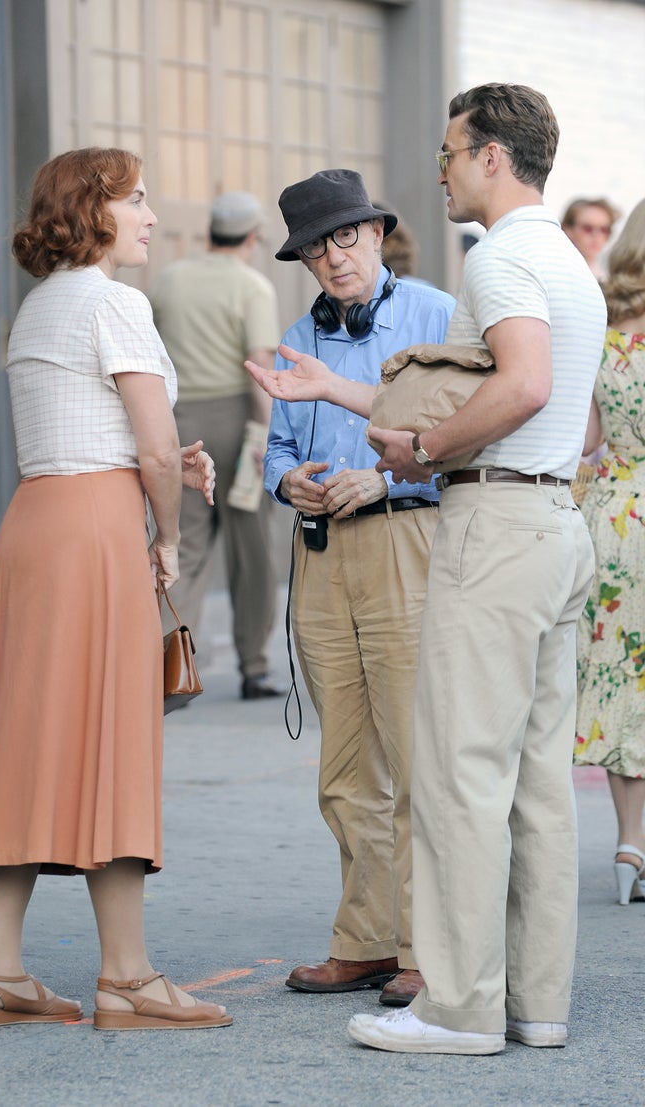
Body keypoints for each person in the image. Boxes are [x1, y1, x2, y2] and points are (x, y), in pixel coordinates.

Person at [248, 85, 607, 1054]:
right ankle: (534, 1002)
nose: (440, 169)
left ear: (492, 156)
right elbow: (575, 420)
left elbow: (524, 385)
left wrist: (425, 447)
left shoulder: (498, 261)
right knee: (534, 782)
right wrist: (339, 391)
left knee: (457, 776)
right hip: (550, 519)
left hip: (494, 525)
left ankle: (457, 1007)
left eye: (450, 151)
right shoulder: (569, 263)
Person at [0, 147, 232, 1033]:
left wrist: (160, 466)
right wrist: (171, 535)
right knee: (115, 734)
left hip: (37, 523)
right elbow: (148, 447)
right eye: (135, 200)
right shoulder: (117, 301)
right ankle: (128, 976)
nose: (149, 214)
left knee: (25, 737)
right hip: (98, 530)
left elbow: (91, 430)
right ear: (94, 211)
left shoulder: (38, 307)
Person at [258, 168, 454, 1004]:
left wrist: (390, 479)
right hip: (322, 556)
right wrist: (289, 484)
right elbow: (271, 452)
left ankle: (427, 946)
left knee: (416, 758)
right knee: (344, 766)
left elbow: (464, 443)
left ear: (377, 234)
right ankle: (366, 938)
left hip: (408, 542)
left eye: (345, 238)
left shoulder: (436, 314)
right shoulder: (296, 336)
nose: (333, 258)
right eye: (315, 248)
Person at [150, 192, 283, 701]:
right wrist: (267, 435)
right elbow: (257, 368)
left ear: (211, 233)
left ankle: (168, 669)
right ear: (252, 237)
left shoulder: (168, 280)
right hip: (237, 419)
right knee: (252, 549)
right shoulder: (253, 286)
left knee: (183, 544)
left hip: (179, 422)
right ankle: (254, 667)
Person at [574, 198, 645, 906]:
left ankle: (631, 840)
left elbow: (588, 439)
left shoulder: (606, 333)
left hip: (616, 517)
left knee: (623, 676)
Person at [561, 196, 621, 279]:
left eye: (604, 230)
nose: (596, 235)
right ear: (567, 229)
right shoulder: (556, 270)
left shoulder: (610, 277)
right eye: (588, 228)